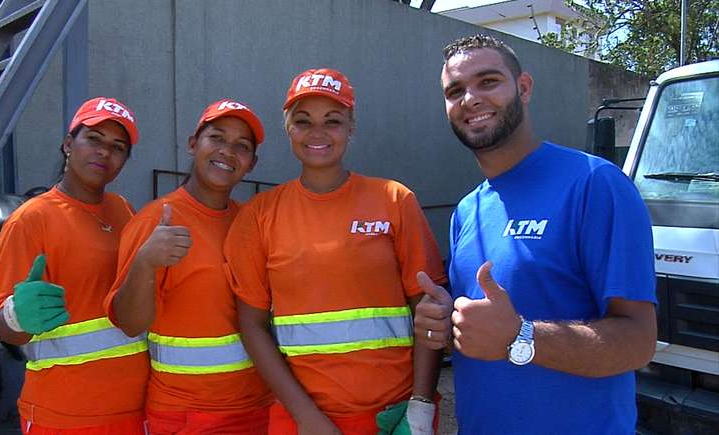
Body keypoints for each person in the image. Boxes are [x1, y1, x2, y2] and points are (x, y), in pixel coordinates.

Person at [413, 34, 658, 434]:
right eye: (455, 90)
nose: (470, 99)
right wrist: (444, 327)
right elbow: (481, 338)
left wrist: (519, 336)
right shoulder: (467, 210)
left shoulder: (595, 185)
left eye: (488, 81)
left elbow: (638, 342)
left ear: (523, 88)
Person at [224, 68, 448, 435]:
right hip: (303, 419)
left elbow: (427, 309)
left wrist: (421, 405)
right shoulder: (260, 215)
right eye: (303, 121)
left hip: (393, 417)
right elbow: (252, 325)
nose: (317, 133)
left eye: (332, 121)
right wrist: (307, 418)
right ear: (288, 128)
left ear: (351, 127)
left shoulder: (394, 199)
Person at [104, 99, 273, 434]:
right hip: (189, 415)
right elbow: (128, 322)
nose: (227, 151)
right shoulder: (154, 221)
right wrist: (145, 263)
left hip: (260, 407)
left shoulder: (252, 221)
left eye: (241, 146)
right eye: (217, 138)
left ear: (251, 164)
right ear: (194, 144)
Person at [0, 97, 149, 434]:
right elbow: (4, 327)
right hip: (62, 413)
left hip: (134, 409)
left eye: (118, 146)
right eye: (94, 139)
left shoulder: (123, 209)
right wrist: (16, 314)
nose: (104, 152)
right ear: (68, 144)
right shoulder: (31, 219)